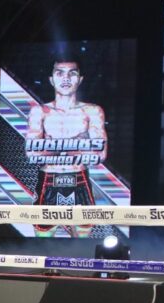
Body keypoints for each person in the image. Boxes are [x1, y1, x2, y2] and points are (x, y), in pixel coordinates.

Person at [26, 59, 106, 237]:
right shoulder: (39, 112)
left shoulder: (92, 111)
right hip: (48, 179)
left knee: (82, 239)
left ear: (80, 79)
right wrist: (77, 143)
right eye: (60, 73)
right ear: (51, 79)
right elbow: (32, 153)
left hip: (79, 178)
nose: (66, 78)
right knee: (43, 239)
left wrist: (52, 145)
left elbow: (100, 153)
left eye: (72, 73)